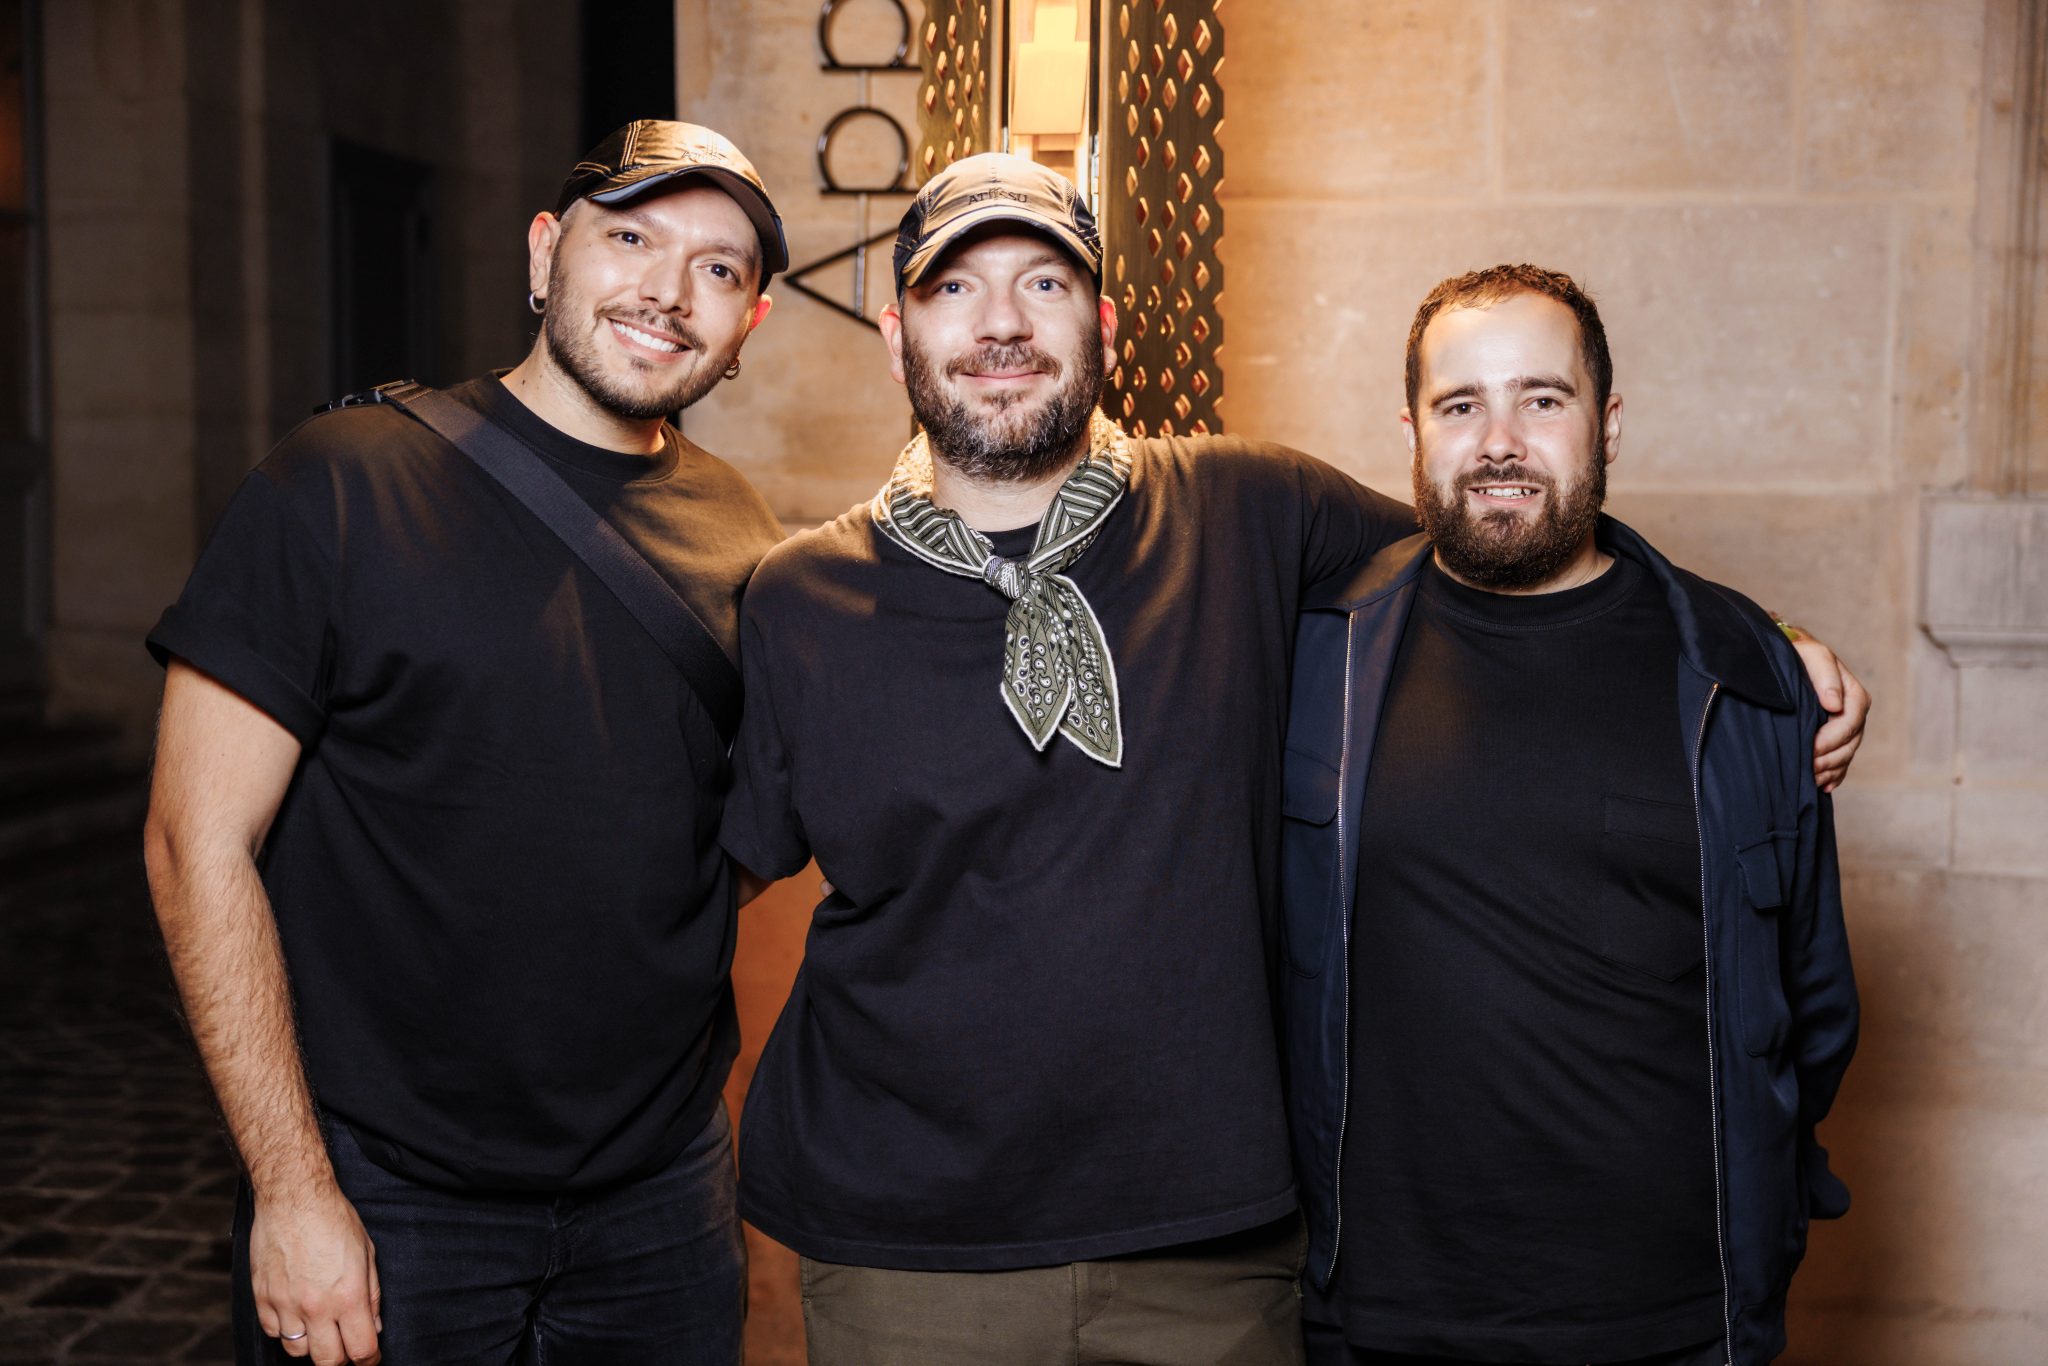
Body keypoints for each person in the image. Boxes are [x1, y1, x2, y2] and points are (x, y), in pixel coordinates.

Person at [717, 156, 1866, 1365]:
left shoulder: (1249, 510)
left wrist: (1770, 644)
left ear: (1102, 322)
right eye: (954, 288)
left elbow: (1503, 535)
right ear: (895, 333)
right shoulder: (797, 598)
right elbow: (705, 879)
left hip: (1212, 1251)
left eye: (1042, 284)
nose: (1000, 323)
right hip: (906, 1246)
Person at [142, 120, 786, 1366]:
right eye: (631, 238)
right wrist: (293, 1190)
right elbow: (194, 843)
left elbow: (724, 836)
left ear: (747, 323)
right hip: (388, 1195)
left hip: (661, 1199)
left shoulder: (743, 533)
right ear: (545, 255)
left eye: (718, 268)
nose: (667, 290)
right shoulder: (338, 484)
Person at [1279, 265, 1860, 1366]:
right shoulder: (1315, 656)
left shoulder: (1744, 675)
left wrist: (1768, 1225)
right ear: (1411, 432)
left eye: (1541, 399)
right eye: (1460, 404)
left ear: (1608, 423)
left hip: (1673, 1323)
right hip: (1378, 1320)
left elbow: (1812, 1006)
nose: (1499, 441)